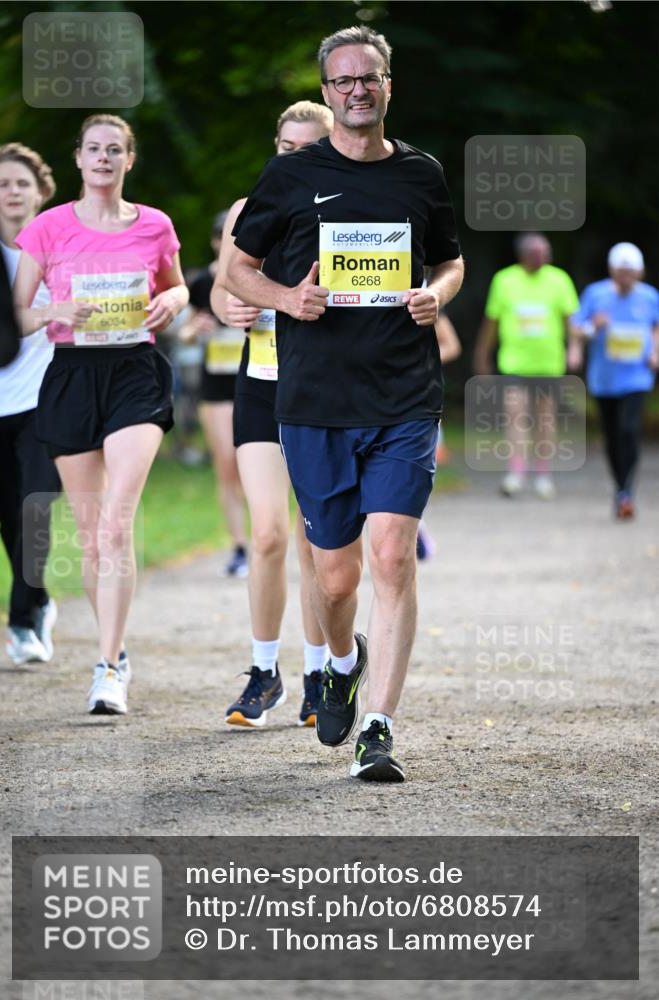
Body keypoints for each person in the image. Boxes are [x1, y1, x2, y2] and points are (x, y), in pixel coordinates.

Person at [226, 26, 464, 781]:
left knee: (391, 555)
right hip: (315, 401)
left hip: (403, 395)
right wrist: (286, 299)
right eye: (342, 81)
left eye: (370, 78)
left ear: (389, 85)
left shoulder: (421, 174)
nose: (356, 90)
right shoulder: (291, 176)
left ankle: (379, 730)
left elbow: (450, 260)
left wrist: (435, 293)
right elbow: (236, 268)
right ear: (327, 93)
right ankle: (338, 661)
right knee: (335, 579)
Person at [13, 114, 188, 715]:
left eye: (115, 150)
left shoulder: (155, 225)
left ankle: (108, 665)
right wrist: (57, 307)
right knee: (92, 538)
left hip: (135, 372)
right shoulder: (46, 227)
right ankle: (115, 649)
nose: (104, 158)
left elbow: (179, 287)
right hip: (70, 374)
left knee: (116, 524)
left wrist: (172, 298)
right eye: (94, 149)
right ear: (79, 159)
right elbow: (16, 314)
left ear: (129, 160)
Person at [212, 100, 333, 728]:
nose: (292, 156)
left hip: (321, 394)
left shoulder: (348, 213)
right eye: (285, 145)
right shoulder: (247, 208)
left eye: (306, 147)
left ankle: (319, 674)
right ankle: (265, 672)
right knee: (268, 533)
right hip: (260, 384)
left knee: (318, 543)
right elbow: (221, 283)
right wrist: (230, 307)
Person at [0, 142, 61, 665]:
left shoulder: (64, 244)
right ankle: (37, 596)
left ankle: (21, 621)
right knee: (9, 516)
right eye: (2, 184)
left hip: (45, 397)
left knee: (35, 507)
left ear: (41, 191)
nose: (12, 192)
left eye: (21, 183)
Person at [474, 233, 579, 499]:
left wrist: (575, 348)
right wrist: (482, 355)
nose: (543, 257)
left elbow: (571, 321)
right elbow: (492, 322)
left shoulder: (559, 279)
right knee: (516, 418)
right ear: (522, 255)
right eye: (536, 253)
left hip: (548, 364)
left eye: (546, 252)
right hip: (514, 363)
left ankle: (543, 475)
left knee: (544, 421)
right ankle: (516, 473)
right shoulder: (504, 280)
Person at [569, 242, 659, 519]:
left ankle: (626, 491)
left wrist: (656, 352)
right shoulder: (596, 294)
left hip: (637, 376)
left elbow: (655, 326)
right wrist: (591, 328)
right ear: (612, 270)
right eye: (621, 271)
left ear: (640, 273)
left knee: (629, 430)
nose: (626, 277)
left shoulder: (649, 296)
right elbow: (577, 328)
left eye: (631, 272)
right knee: (612, 436)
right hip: (605, 378)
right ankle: (621, 488)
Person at [181, 211, 248, 577]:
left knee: (266, 470)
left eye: (235, 238)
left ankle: (273, 538)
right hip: (218, 388)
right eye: (222, 238)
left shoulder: (260, 276)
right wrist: (196, 328)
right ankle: (240, 547)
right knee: (228, 465)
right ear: (213, 242)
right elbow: (187, 333)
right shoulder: (204, 281)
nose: (229, 245)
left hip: (260, 382)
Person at [416, 313, 462, 561]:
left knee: (414, 475)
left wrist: (418, 360)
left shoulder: (425, 295)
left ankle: (417, 526)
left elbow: (452, 345)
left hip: (419, 399)